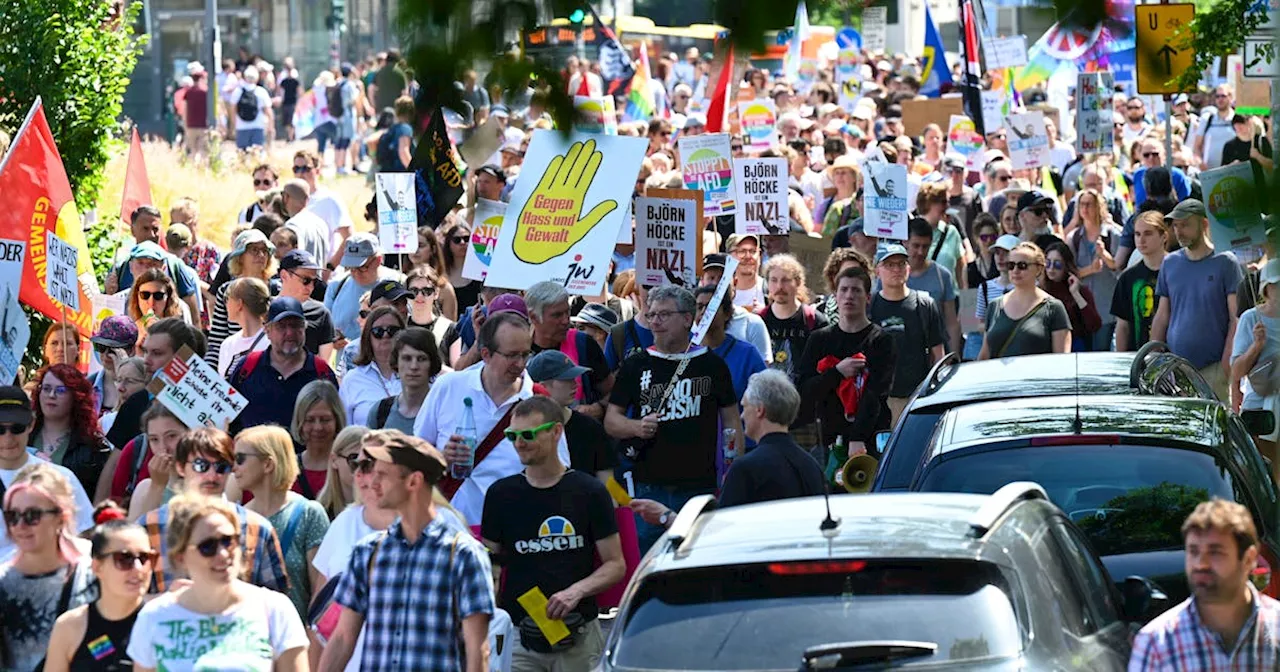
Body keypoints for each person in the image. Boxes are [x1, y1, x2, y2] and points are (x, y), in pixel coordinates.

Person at [318, 431, 495, 672]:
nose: (373, 482)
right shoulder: (367, 553)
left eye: (383, 475)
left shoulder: (464, 555)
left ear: (413, 482)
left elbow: (478, 651)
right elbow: (342, 639)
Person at [481, 396, 623, 671]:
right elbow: (490, 567)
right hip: (521, 635)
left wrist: (575, 592)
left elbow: (616, 565)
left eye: (528, 435)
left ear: (556, 432)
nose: (519, 443)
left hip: (578, 635)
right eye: (512, 435)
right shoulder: (501, 494)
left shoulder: (589, 492)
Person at [604, 285, 741, 552]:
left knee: (696, 556)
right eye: (652, 314)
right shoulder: (636, 364)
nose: (655, 321)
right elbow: (611, 421)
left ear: (688, 319)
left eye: (665, 314)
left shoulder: (712, 365)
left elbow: (732, 420)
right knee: (649, 560)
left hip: (698, 486)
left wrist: (731, 467)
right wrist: (636, 427)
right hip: (648, 486)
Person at [415, 311, 571, 524]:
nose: (520, 363)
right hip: (452, 528)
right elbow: (415, 454)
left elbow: (561, 469)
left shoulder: (539, 400)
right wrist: (443, 458)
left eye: (525, 354)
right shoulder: (448, 387)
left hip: (517, 529)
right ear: (486, 354)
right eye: (511, 355)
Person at [127, 494, 308, 671]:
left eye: (228, 541)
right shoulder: (155, 617)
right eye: (208, 546)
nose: (222, 554)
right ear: (181, 557)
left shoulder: (274, 609)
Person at [135, 426, 290, 596]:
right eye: (201, 466)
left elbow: (276, 601)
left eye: (221, 467)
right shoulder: (149, 526)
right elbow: (128, 601)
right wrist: (171, 601)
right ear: (180, 467)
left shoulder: (258, 528)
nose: (212, 475)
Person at [1129, 499, 1280, 669]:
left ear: (1249, 559)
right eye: (1193, 551)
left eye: (1215, 552)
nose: (1201, 564)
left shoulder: (1276, 628)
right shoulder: (1156, 643)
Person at [0, 463, 97, 672]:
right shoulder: (3, 583)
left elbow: (109, 642)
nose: (20, 526)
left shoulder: (94, 571)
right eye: (12, 516)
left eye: (32, 515)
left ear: (61, 516)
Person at [233, 425, 331, 620]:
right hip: (245, 639)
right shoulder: (235, 518)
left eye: (240, 459)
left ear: (268, 464)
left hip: (294, 639)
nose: (234, 467)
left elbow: (321, 594)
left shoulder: (308, 513)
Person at [795, 267, 896, 455]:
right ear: (835, 296)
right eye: (844, 290)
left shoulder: (882, 340)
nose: (849, 296)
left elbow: (876, 393)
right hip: (828, 439)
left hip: (869, 439)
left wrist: (857, 438)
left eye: (856, 290)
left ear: (868, 298)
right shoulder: (819, 339)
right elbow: (805, 390)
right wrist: (837, 372)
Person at [1151, 199, 1242, 402]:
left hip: (1213, 368)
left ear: (1204, 224)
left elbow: (1235, 317)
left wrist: (1227, 363)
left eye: (1185, 225)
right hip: (1176, 370)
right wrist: (1153, 357)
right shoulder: (1170, 263)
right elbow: (1162, 315)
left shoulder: (1226, 262)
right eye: (1176, 226)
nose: (1179, 231)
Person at [42, 505, 151, 672]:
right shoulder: (70, 627)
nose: (138, 568)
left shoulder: (163, 622)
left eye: (145, 558)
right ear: (97, 567)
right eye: (124, 558)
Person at [104, 319, 207, 486]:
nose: (146, 360)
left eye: (157, 353)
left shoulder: (212, 408)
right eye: (145, 351)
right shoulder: (137, 402)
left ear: (183, 356)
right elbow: (113, 467)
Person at [0, 385, 95, 562]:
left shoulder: (61, 478)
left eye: (17, 428)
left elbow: (86, 534)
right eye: (0, 430)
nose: (8, 437)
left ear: (31, 425)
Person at [228, 297, 338, 433]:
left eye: (296, 325)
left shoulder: (321, 373)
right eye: (281, 326)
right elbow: (228, 417)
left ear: (304, 328)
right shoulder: (247, 368)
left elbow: (335, 425)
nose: (290, 333)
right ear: (267, 330)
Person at [719, 370, 824, 507]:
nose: (742, 416)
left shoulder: (744, 469)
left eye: (744, 407)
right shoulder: (812, 466)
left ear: (759, 410)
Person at [870, 245, 945, 424]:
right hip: (878, 400)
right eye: (889, 264)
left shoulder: (925, 304)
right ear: (877, 271)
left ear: (908, 268)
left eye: (901, 263)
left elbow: (938, 354)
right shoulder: (869, 306)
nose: (896, 269)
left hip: (917, 399)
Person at [525, 281, 613, 418]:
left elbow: (613, 392)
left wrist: (598, 408)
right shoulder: (517, 349)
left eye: (568, 313)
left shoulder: (583, 343)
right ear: (533, 317)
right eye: (557, 315)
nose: (566, 321)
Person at [526, 351, 617, 481]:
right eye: (566, 379)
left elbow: (609, 482)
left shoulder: (589, 428)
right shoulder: (524, 432)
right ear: (542, 386)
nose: (575, 384)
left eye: (574, 378)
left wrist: (616, 500)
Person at [28, 365, 111, 502]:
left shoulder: (94, 447)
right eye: (46, 388)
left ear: (76, 397)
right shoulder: (21, 434)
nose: (51, 395)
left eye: (60, 390)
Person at [979, 242, 1072, 358]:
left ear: (1039, 269)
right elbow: (984, 354)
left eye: (1022, 265)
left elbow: (1062, 360)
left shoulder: (1054, 308)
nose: (1015, 270)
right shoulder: (994, 306)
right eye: (1011, 265)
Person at [1230, 259, 1279, 462]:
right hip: (1260, 410)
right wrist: (1256, 346)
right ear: (1266, 289)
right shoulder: (1251, 318)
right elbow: (1237, 371)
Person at [207, 229, 276, 367]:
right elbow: (217, 341)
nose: (261, 255)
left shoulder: (276, 290)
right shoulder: (226, 291)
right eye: (254, 250)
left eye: (265, 250)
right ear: (240, 257)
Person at [759, 254, 828, 379]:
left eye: (785, 280)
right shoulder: (758, 321)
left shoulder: (815, 321)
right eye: (774, 280)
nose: (779, 286)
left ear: (798, 282)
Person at [325, 233, 402, 345]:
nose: (355, 273)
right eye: (350, 268)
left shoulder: (398, 283)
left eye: (361, 267)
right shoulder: (336, 286)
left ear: (378, 260)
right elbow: (325, 331)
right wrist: (333, 339)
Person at [900, 218, 961, 354]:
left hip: (936, 351)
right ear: (905, 242)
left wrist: (954, 355)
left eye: (925, 246)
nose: (921, 252)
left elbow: (951, 321)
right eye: (916, 246)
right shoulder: (892, 275)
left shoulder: (942, 276)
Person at [367, 327, 442, 433]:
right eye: (407, 358)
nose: (414, 366)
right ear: (396, 362)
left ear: (432, 364)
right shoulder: (380, 412)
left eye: (421, 359)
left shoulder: (442, 411)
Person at [290, 150, 355, 270]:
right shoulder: (289, 199)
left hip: (324, 273)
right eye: (296, 169)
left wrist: (330, 268)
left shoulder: (329, 199)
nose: (300, 173)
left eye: (305, 168)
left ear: (317, 171)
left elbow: (349, 237)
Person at [1113, 212, 1170, 352]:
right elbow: (1122, 325)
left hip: (1176, 358)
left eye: (1148, 233)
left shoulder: (1178, 271)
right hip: (1139, 358)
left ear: (1164, 236)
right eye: (1137, 234)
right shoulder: (1128, 277)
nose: (1141, 240)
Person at [340, 306, 405, 425]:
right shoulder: (352, 380)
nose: (385, 336)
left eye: (392, 331)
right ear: (367, 337)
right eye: (378, 332)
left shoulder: (417, 374)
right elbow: (345, 432)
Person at [288, 380, 346, 500]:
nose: (318, 427)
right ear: (300, 422)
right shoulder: (287, 470)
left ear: (337, 419)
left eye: (325, 419)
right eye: (310, 420)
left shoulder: (348, 468)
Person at [1041, 242, 1102, 352]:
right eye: (1048, 263)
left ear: (1066, 266)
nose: (1051, 269)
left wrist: (1076, 294)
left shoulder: (1080, 290)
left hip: (1075, 348)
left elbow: (1095, 325)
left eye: (1057, 264)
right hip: (1046, 347)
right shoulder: (1040, 290)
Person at [278, 249, 337, 360]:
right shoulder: (266, 310)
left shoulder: (321, 313)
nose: (311, 287)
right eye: (306, 280)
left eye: (315, 281)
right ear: (284, 276)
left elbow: (324, 364)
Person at [216, 277, 271, 377]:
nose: (226, 304)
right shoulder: (227, 344)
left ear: (239, 304)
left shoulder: (272, 342)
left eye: (227, 298)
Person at [314, 426, 370, 521]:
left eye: (369, 462)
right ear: (334, 460)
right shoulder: (319, 514)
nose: (361, 469)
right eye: (354, 459)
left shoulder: (385, 513)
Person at [87, 317, 138, 416]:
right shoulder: (87, 385)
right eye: (101, 347)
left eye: (113, 349)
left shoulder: (142, 387)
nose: (106, 354)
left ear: (131, 350)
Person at [127, 268, 186, 350]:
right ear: (137, 296)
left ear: (168, 297)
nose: (151, 302)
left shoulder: (179, 332)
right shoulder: (129, 331)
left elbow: (190, 360)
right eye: (145, 295)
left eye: (158, 296)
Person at [440, 215, 484, 315]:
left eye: (466, 238)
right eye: (457, 240)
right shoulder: (442, 272)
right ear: (448, 244)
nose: (462, 243)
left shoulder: (480, 270)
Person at [405, 266, 454, 350]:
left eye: (426, 291)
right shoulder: (399, 326)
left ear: (436, 293)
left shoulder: (449, 328)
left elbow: (457, 363)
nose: (419, 296)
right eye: (413, 291)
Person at [229, 64, 273, 150]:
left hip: (241, 127)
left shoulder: (237, 91)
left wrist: (234, 125)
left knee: (242, 154)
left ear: (245, 77)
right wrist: (271, 126)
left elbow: (232, 110)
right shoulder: (261, 91)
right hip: (258, 126)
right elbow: (268, 111)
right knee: (257, 154)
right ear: (256, 78)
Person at [1193, 84, 1237, 170]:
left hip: (1232, 173)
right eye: (1217, 96)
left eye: (1223, 96)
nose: (1220, 99)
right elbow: (1196, 147)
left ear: (1231, 97)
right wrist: (1200, 162)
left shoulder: (1237, 119)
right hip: (1210, 173)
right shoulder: (1207, 119)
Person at [726, 234, 766, 309]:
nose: (748, 256)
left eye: (753, 251)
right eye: (741, 251)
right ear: (729, 257)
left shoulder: (771, 290)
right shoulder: (721, 293)